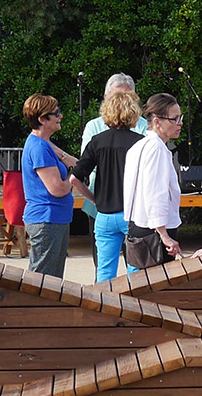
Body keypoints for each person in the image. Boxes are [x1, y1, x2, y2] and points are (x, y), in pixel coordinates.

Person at [71, 87, 146, 280]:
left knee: (104, 272)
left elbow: (74, 178)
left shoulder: (97, 141)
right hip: (132, 216)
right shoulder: (141, 142)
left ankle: (104, 300)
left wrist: (93, 198)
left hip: (104, 214)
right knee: (136, 272)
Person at [18, 96, 85, 281]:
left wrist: (63, 156)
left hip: (53, 219)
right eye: (56, 113)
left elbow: (75, 163)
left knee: (52, 281)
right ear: (42, 119)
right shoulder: (39, 147)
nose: (60, 116)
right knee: (42, 282)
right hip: (46, 219)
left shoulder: (44, 144)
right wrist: (72, 178)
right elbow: (58, 189)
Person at [122, 94, 184, 269]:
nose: (180, 123)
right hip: (154, 231)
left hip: (139, 225)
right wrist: (164, 235)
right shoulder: (157, 149)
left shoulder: (139, 145)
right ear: (157, 122)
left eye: (180, 117)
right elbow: (155, 194)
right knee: (159, 283)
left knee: (144, 281)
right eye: (174, 119)